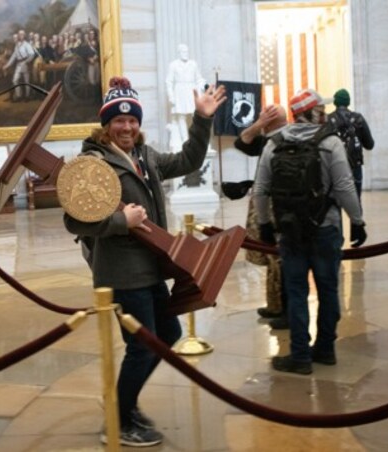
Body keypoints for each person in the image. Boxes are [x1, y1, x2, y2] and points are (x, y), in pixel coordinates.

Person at [64, 76, 226, 447]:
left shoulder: (145, 155)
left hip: (151, 267)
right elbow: (74, 220)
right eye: (119, 121)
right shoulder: (93, 163)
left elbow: (189, 159)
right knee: (143, 344)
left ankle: (125, 401)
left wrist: (201, 120)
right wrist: (123, 221)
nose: (127, 127)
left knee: (167, 335)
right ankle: (118, 421)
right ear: (106, 125)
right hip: (121, 272)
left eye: (132, 120)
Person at [252, 88, 366, 375]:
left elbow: (261, 190)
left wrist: (265, 225)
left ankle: (300, 355)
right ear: (314, 112)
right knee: (328, 290)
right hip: (326, 228)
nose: (325, 113)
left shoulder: (274, 143)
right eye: (321, 109)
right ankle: (325, 349)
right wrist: (358, 220)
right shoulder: (330, 143)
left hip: (290, 231)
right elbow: (344, 186)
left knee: (296, 290)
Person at [234, 104, 288, 323]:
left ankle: (284, 310)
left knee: (279, 260)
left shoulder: (283, 140)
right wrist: (260, 125)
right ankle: (275, 305)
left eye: (263, 117)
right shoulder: (268, 139)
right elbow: (242, 141)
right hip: (267, 205)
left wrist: (260, 124)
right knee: (272, 259)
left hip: (278, 208)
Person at [327, 88, 375, 200]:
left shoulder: (328, 120)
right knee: (356, 204)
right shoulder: (358, 119)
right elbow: (370, 145)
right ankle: (356, 217)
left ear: (335, 102)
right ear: (348, 101)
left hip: (335, 167)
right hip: (355, 165)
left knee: (334, 204)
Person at [165, 43, 205, 151]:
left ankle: (194, 137)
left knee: (194, 114)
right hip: (179, 91)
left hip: (191, 90)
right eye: (183, 51)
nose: (185, 54)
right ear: (179, 53)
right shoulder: (173, 65)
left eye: (186, 51)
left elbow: (199, 78)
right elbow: (169, 81)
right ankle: (185, 139)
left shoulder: (193, 64)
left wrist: (201, 84)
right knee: (181, 116)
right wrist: (171, 96)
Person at [3, 30, 36, 102]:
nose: (20, 36)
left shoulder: (27, 45)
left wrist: (26, 61)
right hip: (18, 65)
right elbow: (13, 57)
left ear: (24, 36)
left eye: (22, 34)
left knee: (26, 81)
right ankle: (19, 96)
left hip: (25, 65)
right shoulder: (17, 45)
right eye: (19, 34)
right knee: (15, 80)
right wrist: (7, 65)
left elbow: (32, 54)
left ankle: (27, 96)